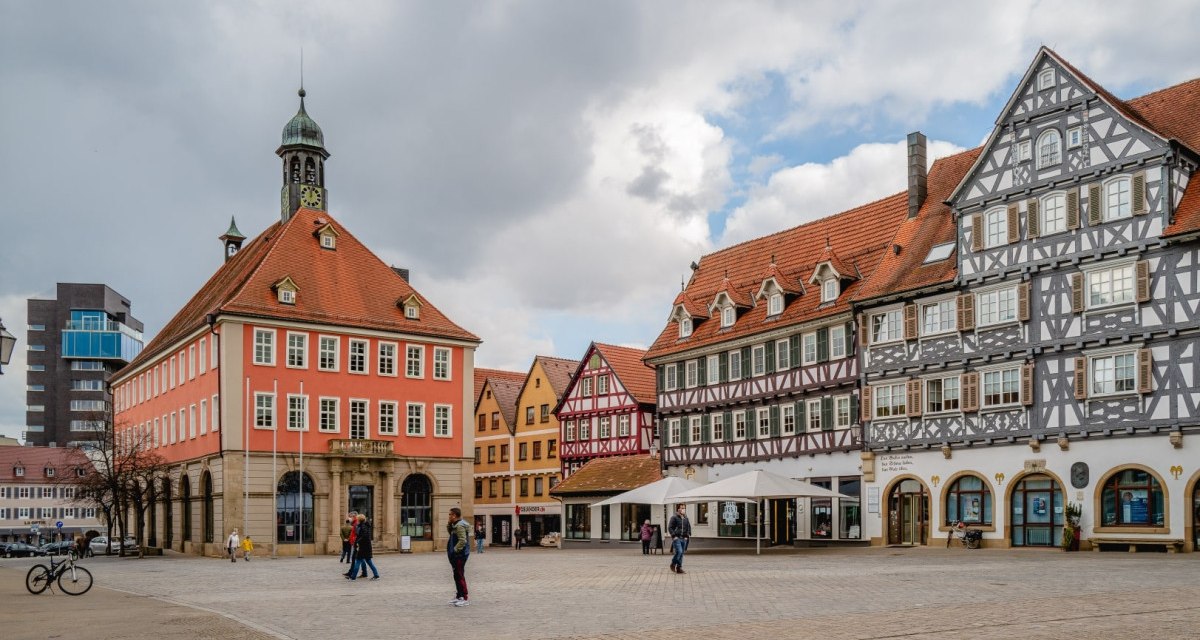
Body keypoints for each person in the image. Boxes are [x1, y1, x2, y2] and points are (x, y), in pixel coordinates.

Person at [447, 507, 471, 606]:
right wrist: (449, 524)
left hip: (459, 555)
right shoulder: (455, 525)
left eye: (450, 514)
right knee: (456, 575)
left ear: (454, 515)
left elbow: (462, 540)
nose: (448, 516)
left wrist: (455, 551)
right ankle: (459, 596)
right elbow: (451, 534)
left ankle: (464, 598)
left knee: (460, 575)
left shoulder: (460, 526)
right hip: (456, 555)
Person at [347, 515, 379, 581]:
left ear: (359, 520)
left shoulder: (362, 527)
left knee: (358, 561)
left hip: (363, 547)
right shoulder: (366, 526)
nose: (357, 521)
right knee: (369, 562)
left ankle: (353, 577)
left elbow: (362, 536)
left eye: (357, 519)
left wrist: (357, 542)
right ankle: (376, 575)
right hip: (367, 547)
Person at [667, 504, 691, 574]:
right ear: (678, 509)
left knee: (682, 554)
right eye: (682, 508)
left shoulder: (686, 518)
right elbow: (670, 527)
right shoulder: (674, 517)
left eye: (684, 508)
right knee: (679, 552)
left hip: (684, 538)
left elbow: (688, 527)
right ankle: (673, 563)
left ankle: (679, 568)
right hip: (677, 538)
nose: (683, 509)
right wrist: (674, 536)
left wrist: (687, 536)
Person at [343, 512, 366, 579]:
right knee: (361, 559)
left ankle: (352, 574)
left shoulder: (356, 524)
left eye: (351, 517)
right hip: (354, 543)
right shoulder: (354, 523)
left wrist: (354, 541)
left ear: (355, 517)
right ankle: (363, 573)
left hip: (356, 544)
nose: (350, 518)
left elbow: (357, 535)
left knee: (355, 559)